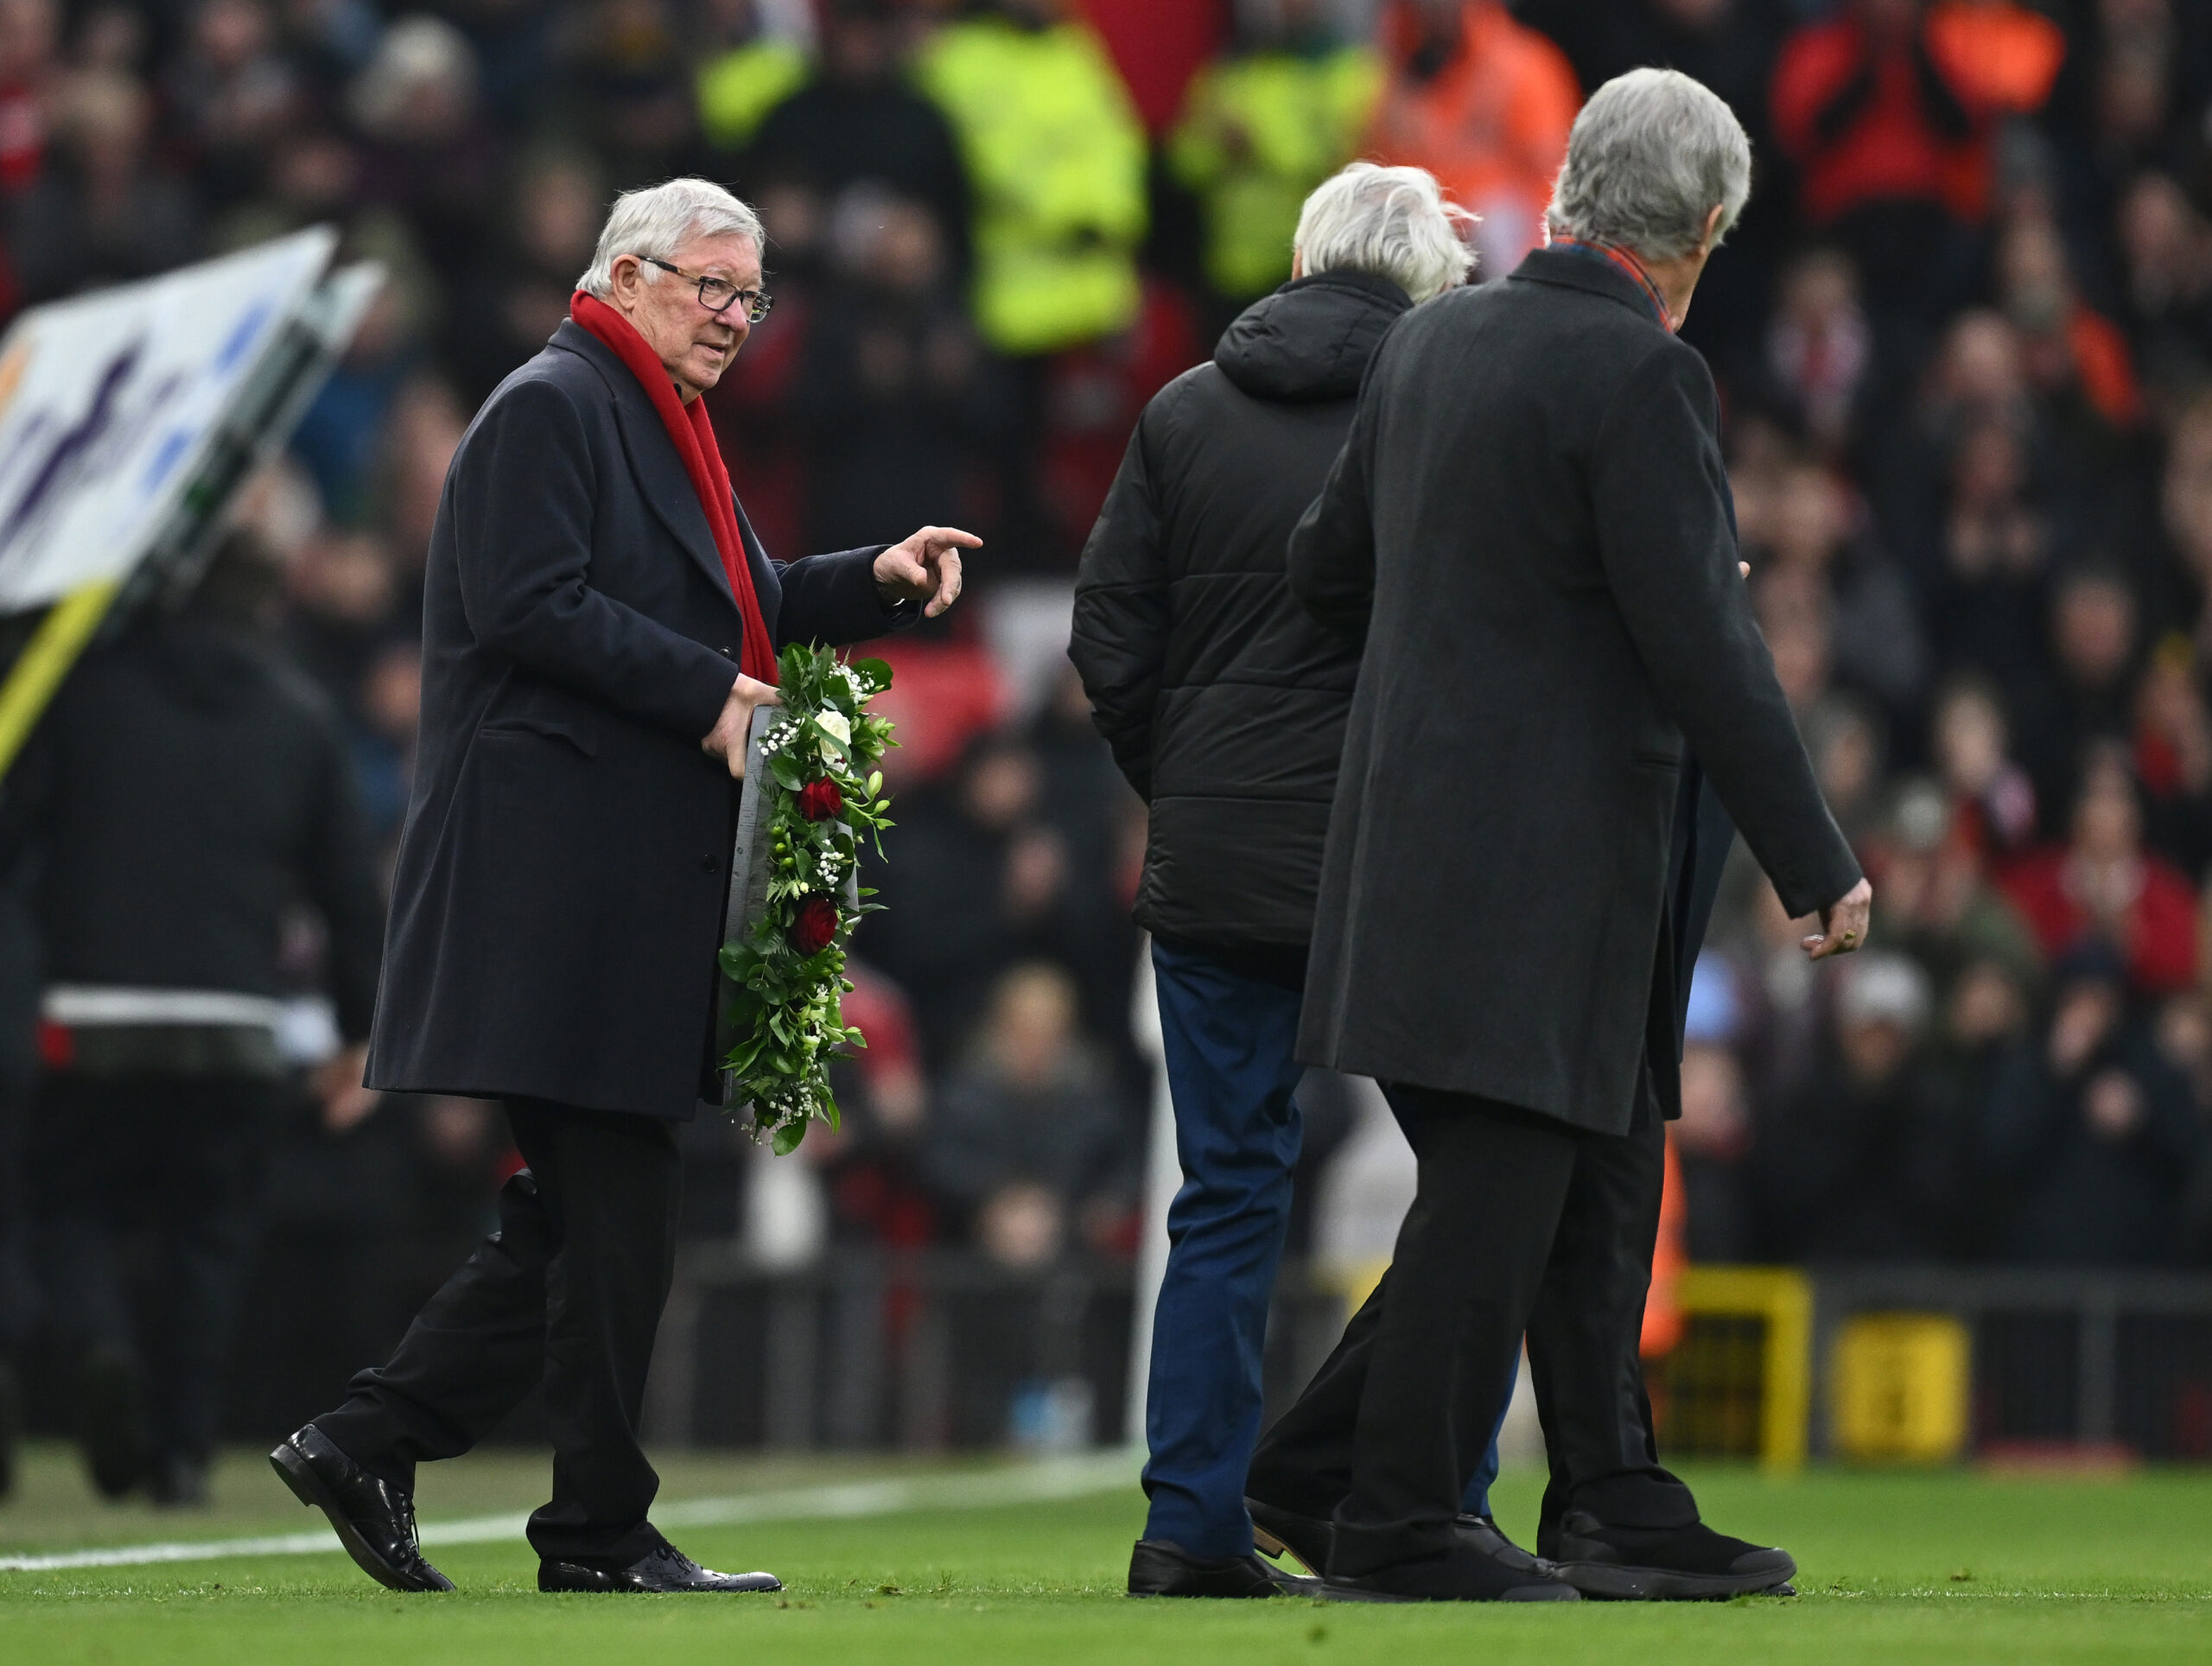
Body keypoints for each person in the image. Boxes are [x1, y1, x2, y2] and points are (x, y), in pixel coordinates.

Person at [270, 177, 976, 1596]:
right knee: (616, 1211)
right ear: (625, 274)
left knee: (585, 1216)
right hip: (558, 886)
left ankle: (374, 1441)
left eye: (749, 296)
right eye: (709, 285)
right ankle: (588, 1528)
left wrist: (877, 579)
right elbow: (526, 601)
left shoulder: (655, 417)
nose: (732, 316)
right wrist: (708, 693)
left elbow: (751, 600)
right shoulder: (554, 403)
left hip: (607, 884)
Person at [1248, 70, 1872, 1602]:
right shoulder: (1646, 376)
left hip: (1406, 849)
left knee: (1570, 1185)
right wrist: (1815, 858)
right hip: (1551, 877)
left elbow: (1324, 569)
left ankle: (1600, 1492)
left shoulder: (1431, 341)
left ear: (1574, 183)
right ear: (1703, 228)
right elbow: (1705, 645)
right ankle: (1396, 1516)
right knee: (1504, 1198)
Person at [1071, 161, 1472, 1598]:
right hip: (1398, 867)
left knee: (1226, 1195)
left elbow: (1105, 637)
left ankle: (1190, 1528)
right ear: (1431, 280)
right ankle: (1430, 1508)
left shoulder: (1184, 410)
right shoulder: (1445, 407)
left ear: (1303, 260)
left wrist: (1188, 784)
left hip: (1219, 866)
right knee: (1474, 1194)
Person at [5, 531, 384, 1507]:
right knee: (209, 1238)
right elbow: (349, 893)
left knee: (70, 1207)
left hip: (85, 1014)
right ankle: (180, 1454)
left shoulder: (84, 695)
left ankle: (100, 1348)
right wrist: (361, 1031)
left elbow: (17, 841)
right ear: (267, 604)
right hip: (237, 1024)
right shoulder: (300, 714)